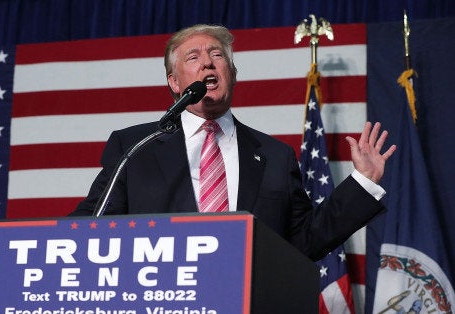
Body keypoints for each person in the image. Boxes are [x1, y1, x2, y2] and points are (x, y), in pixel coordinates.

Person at [69, 24, 396, 261]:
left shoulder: (275, 156)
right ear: (174, 81)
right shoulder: (135, 146)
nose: (208, 63)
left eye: (216, 55)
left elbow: (303, 241)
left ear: (232, 73)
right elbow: (93, 223)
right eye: (193, 57)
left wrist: (363, 183)